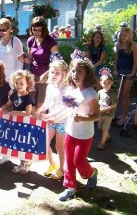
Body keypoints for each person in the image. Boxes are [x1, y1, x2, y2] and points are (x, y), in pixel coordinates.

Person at [58, 58, 100, 201]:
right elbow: (70, 107)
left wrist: (82, 118)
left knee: (79, 161)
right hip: (70, 131)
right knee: (69, 161)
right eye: (74, 71)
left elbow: (97, 115)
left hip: (84, 134)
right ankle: (70, 188)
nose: (75, 74)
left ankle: (92, 173)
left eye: (80, 71)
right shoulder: (71, 89)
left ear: (87, 74)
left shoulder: (91, 94)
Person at [34, 60, 69, 180]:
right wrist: (40, 110)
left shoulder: (67, 88)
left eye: (57, 73)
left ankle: (61, 169)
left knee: (59, 146)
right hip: (50, 121)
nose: (54, 75)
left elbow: (65, 108)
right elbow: (47, 104)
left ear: (64, 73)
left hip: (62, 122)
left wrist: (49, 116)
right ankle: (52, 165)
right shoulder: (50, 86)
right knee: (45, 143)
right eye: (52, 72)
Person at [0, 70, 35, 174]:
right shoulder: (14, 94)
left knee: (23, 144)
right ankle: (22, 163)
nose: (19, 86)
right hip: (16, 124)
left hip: (25, 125)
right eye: (17, 83)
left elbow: (28, 112)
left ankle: (25, 163)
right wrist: (2, 109)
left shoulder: (28, 97)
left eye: (21, 83)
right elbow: (8, 104)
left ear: (28, 83)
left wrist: (16, 113)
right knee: (17, 144)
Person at [17, 16, 58, 108]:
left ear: (44, 30)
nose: (37, 33)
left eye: (40, 30)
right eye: (34, 30)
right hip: (33, 77)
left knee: (41, 105)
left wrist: (46, 75)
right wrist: (23, 59)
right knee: (31, 104)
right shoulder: (30, 40)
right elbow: (30, 59)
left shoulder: (51, 42)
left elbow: (57, 64)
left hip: (46, 78)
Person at [114, 27, 137, 126]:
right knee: (121, 94)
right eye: (122, 35)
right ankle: (124, 113)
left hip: (129, 72)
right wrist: (115, 69)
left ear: (129, 36)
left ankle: (124, 117)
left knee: (125, 94)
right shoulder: (118, 45)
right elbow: (117, 58)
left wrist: (132, 72)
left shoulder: (133, 45)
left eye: (125, 35)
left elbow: (136, 61)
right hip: (120, 71)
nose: (123, 37)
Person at [0, 17, 23, 82]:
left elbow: (19, 63)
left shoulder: (16, 41)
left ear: (9, 29)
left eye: (3, 30)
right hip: (1, 79)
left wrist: (17, 79)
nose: (1, 32)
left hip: (13, 80)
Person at [97, 72, 118, 150]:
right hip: (100, 114)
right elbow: (97, 101)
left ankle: (102, 143)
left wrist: (105, 109)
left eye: (108, 83)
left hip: (108, 115)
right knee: (100, 127)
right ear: (101, 83)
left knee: (105, 128)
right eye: (104, 83)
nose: (106, 85)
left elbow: (114, 105)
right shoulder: (100, 92)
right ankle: (108, 137)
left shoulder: (112, 94)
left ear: (111, 83)